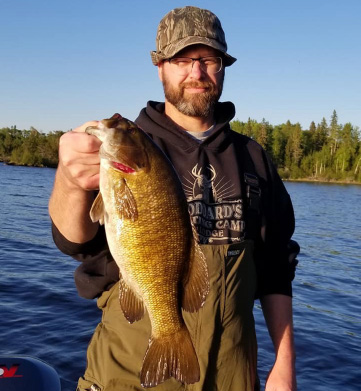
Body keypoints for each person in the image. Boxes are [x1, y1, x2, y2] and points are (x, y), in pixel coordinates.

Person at [49, 6, 299, 391]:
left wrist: (283, 366)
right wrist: (68, 179)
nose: (196, 72)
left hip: (230, 376)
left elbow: (276, 265)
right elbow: (74, 241)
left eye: (208, 60)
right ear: (160, 66)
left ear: (223, 67)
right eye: (182, 59)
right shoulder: (126, 149)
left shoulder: (253, 158)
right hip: (126, 376)